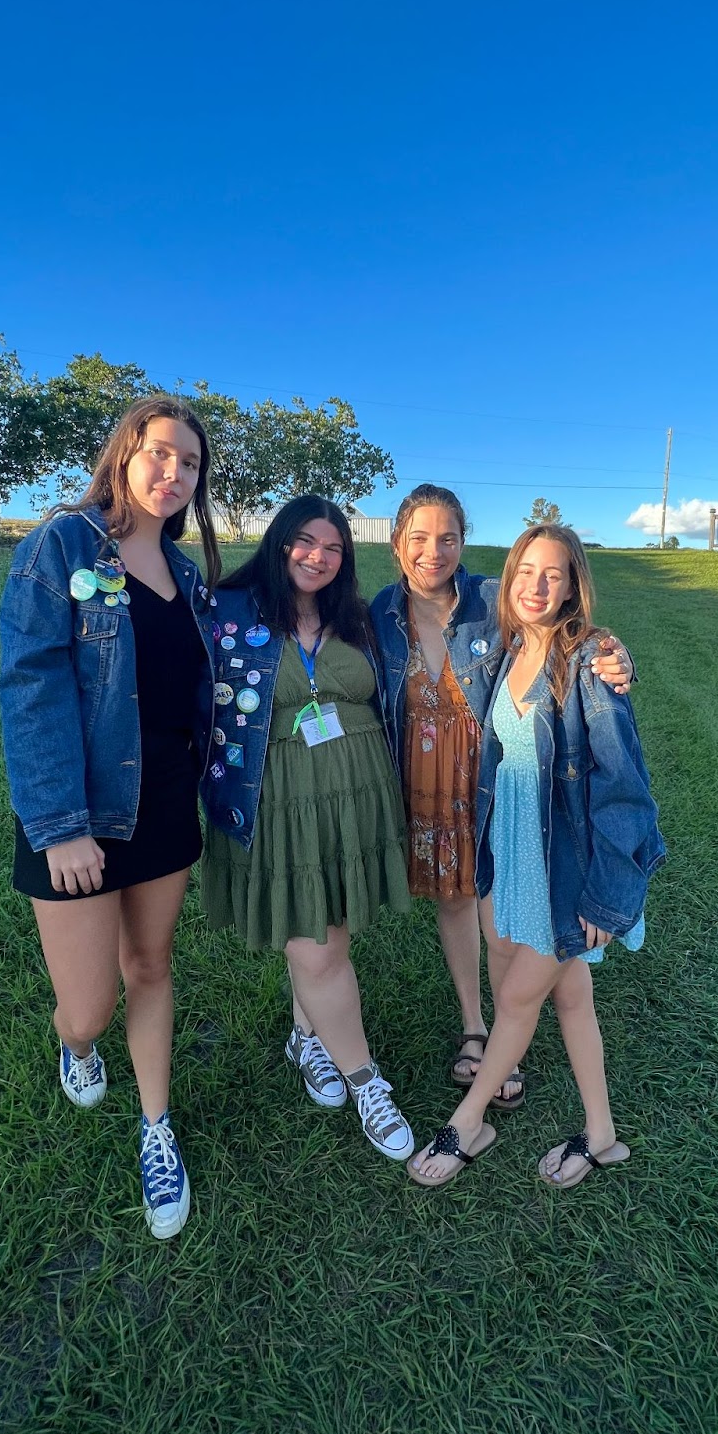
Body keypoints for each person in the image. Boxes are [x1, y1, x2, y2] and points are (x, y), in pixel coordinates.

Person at [0, 396, 221, 1238]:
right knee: (89, 1006)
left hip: (163, 799)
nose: (175, 473)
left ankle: (157, 1129)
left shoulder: (187, 576)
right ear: (124, 453)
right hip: (79, 808)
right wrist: (61, 827)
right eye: (161, 453)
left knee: (152, 965)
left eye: (190, 463)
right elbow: (31, 685)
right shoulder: (62, 545)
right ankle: (79, 1045)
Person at [407, 524, 665, 1188]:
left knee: (521, 996)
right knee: (571, 998)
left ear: (574, 587)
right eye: (525, 571)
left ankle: (468, 1123)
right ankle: (601, 1134)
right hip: (515, 845)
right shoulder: (511, 648)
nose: (536, 586)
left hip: (568, 867)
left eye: (553, 575)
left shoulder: (589, 663)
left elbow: (625, 790)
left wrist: (605, 899)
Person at [370, 485, 633, 1106]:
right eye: (419, 538)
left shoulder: (495, 597)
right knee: (454, 898)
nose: (433, 552)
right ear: (397, 543)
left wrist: (616, 659)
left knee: (502, 912)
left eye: (448, 538)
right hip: (424, 776)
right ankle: (476, 1027)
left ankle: (511, 1031)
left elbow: (567, 636)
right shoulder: (379, 612)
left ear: (464, 542)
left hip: (492, 776)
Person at [201, 496, 415, 1162]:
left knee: (325, 926)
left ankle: (307, 1037)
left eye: (333, 548)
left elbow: (456, 605)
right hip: (278, 799)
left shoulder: (359, 618)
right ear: (280, 542)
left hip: (356, 798)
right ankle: (366, 1082)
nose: (318, 557)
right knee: (318, 949)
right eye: (305, 541)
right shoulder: (228, 610)